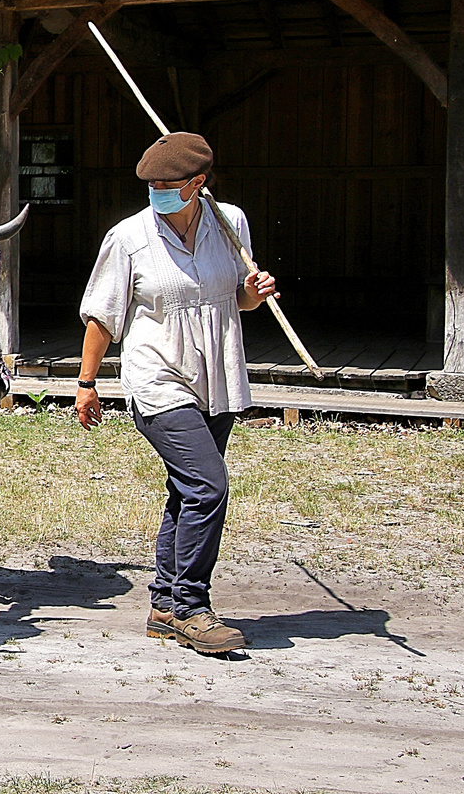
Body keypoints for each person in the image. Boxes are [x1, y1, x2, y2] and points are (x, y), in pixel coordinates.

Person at [73, 132, 276, 655]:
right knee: (209, 486)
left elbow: (238, 299)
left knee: (186, 492)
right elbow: (102, 314)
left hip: (216, 373)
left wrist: (252, 295)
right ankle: (191, 606)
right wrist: (86, 383)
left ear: (197, 184)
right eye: (151, 186)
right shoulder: (128, 238)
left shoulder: (230, 224)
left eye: (167, 186)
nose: (157, 194)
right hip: (157, 374)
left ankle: (164, 605)